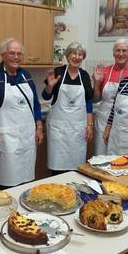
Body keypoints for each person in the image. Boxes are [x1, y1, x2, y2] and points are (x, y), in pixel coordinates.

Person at [0, 38, 43, 188]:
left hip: (27, 138)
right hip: (6, 140)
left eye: (19, 53)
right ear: (3, 55)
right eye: (12, 53)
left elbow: (35, 105)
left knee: (26, 183)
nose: (16, 57)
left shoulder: (26, 76)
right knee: (6, 185)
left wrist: (39, 127)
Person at [42, 42, 93, 175]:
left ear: (83, 57)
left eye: (80, 54)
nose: (77, 57)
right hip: (59, 130)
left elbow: (88, 102)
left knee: (76, 168)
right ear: (67, 55)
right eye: (73, 53)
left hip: (77, 130)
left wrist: (89, 125)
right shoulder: (57, 72)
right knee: (57, 167)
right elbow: (45, 96)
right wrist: (50, 86)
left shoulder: (85, 76)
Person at [93, 38, 128, 155]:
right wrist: (97, 83)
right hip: (104, 120)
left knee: (120, 156)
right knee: (101, 155)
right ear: (113, 52)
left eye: (124, 50)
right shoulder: (104, 71)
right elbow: (96, 99)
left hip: (124, 121)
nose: (121, 54)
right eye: (118, 50)